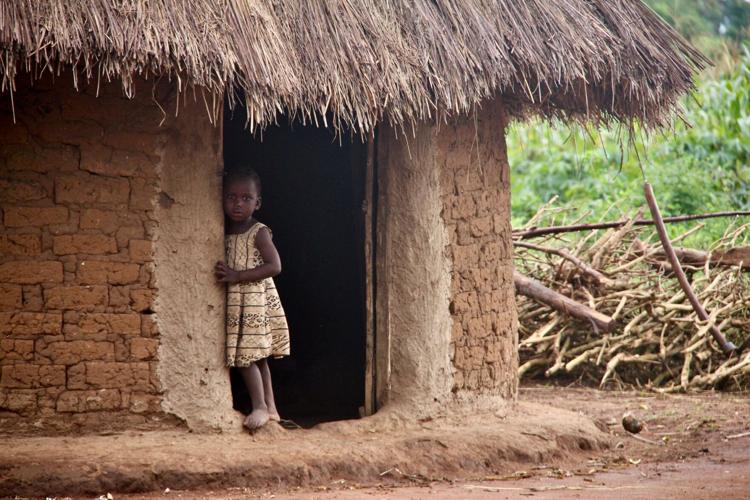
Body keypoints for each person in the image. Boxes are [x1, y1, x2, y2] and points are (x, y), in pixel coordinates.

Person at [215, 168, 290, 430]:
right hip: (241, 299)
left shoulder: (258, 232)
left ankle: (260, 406)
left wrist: (238, 275)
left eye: (246, 198)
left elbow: (275, 266)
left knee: (246, 357)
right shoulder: (222, 228)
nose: (237, 203)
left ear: (257, 203)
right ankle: (271, 408)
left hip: (254, 300)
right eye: (231, 197)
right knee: (257, 356)